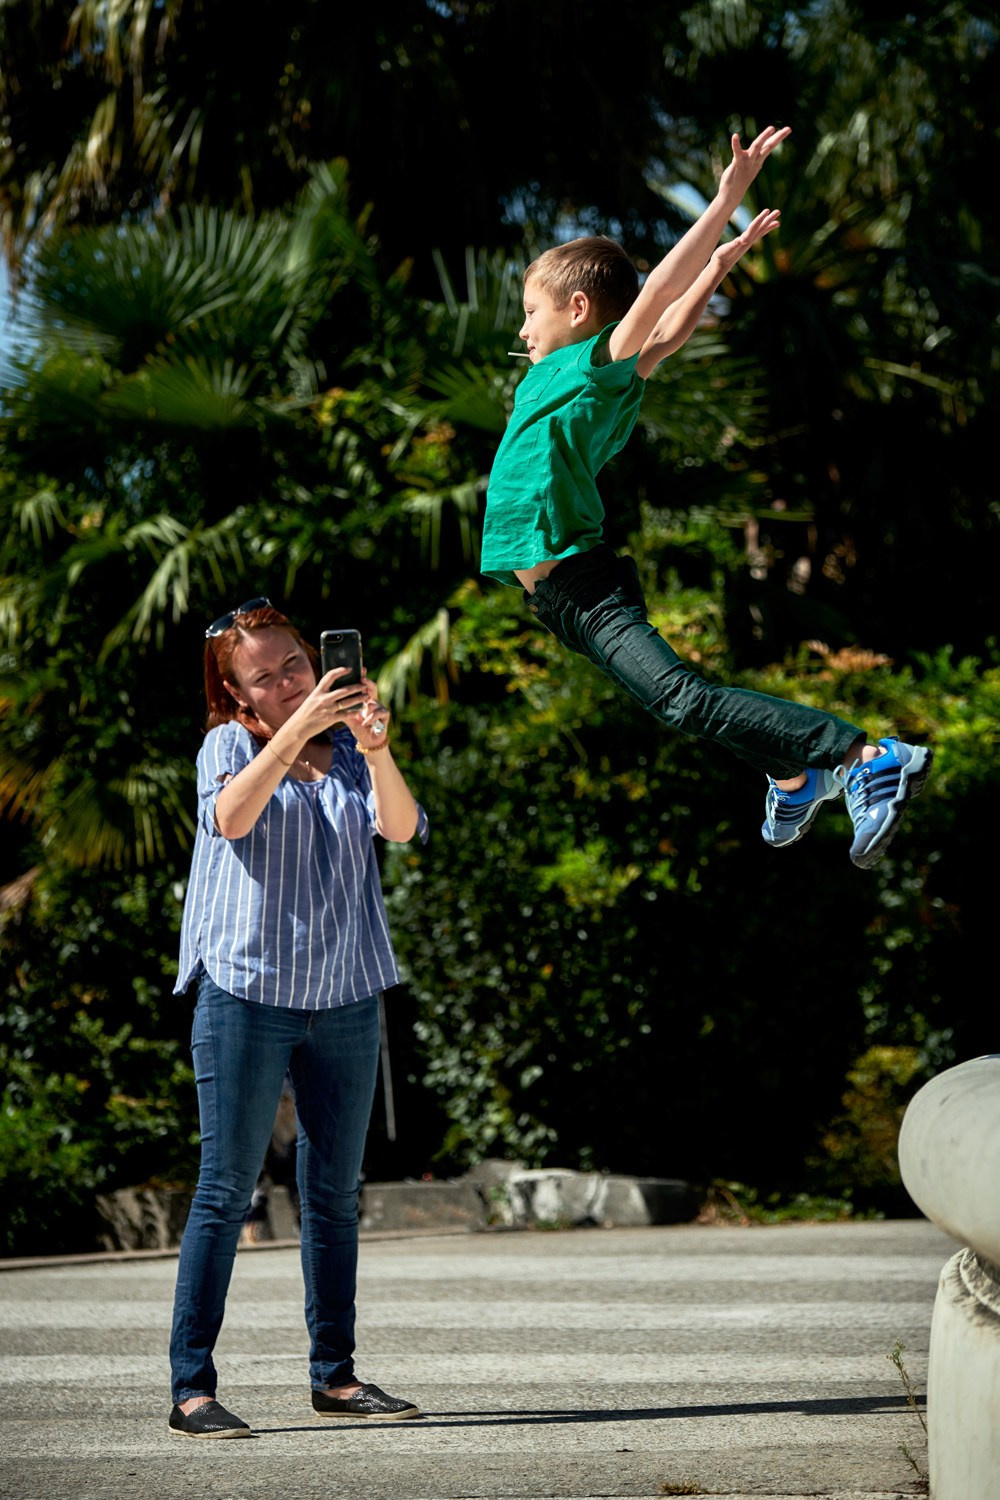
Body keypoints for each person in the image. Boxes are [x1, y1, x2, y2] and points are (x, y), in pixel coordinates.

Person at [481, 125, 931, 870]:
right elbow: (667, 332)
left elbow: (654, 298)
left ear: (579, 309)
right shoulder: (585, 379)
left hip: (584, 586)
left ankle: (864, 756)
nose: (523, 327)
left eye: (532, 312)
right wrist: (718, 267)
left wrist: (723, 204)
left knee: (682, 699)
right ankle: (796, 778)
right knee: (680, 706)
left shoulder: (588, 367)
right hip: (560, 603)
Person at [168, 598, 426, 1438]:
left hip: (345, 992)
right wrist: (294, 732)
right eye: (264, 677)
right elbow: (230, 817)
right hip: (247, 991)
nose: (286, 683)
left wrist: (376, 749)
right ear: (238, 695)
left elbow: (401, 828)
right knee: (224, 1192)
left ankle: (335, 1377)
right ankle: (191, 1389)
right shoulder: (227, 747)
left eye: (295, 665)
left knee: (335, 1196)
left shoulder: (349, 750)